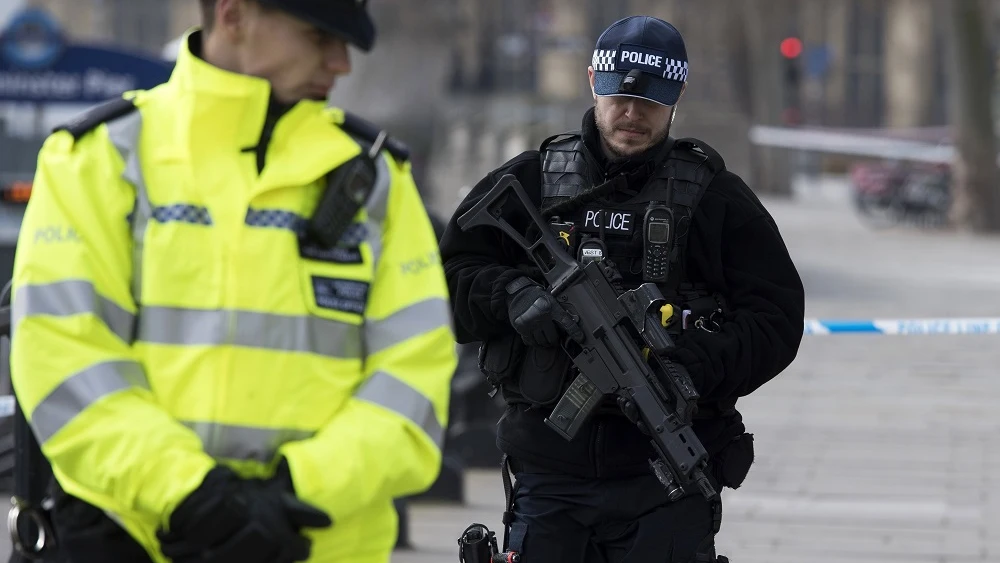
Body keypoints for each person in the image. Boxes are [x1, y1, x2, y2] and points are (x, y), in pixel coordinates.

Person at [9, 0, 457, 561]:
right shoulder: (99, 159)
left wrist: (296, 490)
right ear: (235, 15)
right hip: (135, 538)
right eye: (321, 36)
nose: (341, 63)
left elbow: (415, 375)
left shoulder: (377, 181)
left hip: (311, 540)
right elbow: (62, 357)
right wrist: (190, 495)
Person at [440, 15, 805, 563]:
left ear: (677, 95)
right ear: (593, 81)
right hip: (549, 473)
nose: (631, 113)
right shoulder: (533, 181)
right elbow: (447, 273)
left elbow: (776, 316)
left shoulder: (715, 198)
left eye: (650, 101)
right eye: (620, 96)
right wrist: (511, 295)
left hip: (662, 479)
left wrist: (693, 365)